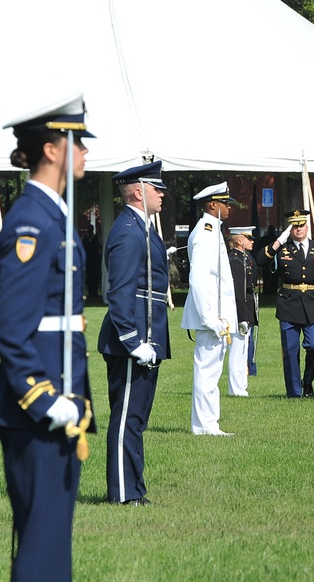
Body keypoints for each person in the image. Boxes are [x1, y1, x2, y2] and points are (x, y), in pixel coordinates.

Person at [0, 93, 95, 582]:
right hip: (39, 412)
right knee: (40, 546)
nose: (84, 154)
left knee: (50, 547)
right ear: (53, 148)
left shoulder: (53, 213)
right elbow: (12, 327)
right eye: (77, 142)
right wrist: (44, 398)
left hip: (60, 405)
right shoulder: (32, 219)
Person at [98, 160, 171, 504]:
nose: (162, 195)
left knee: (135, 419)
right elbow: (120, 292)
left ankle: (133, 489)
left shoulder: (140, 228)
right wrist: (132, 342)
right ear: (139, 192)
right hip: (134, 339)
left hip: (147, 336)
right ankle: (124, 494)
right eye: (157, 189)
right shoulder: (128, 231)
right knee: (127, 417)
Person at [180, 182, 238, 435]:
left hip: (218, 314)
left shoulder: (212, 230)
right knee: (206, 370)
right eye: (225, 203)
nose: (229, 208)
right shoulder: (205, 232)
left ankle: (209, 423)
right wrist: (209, 317)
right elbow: (200, 278)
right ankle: (204, 425)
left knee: (212, 371)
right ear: (213, 204)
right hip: (211, 316)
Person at [260, 209, 314, 397]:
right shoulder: (283, 249)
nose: (298, 229)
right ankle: (294, 392)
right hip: (289, 302)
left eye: (301, 225)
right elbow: (261, 260)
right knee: (290, 351)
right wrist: (278, 241)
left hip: (313, 302)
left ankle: (307, 381)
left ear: (307, 227)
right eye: (294, 226)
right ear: (290, 228)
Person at [227, 225, 259, 396]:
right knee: (237, 350)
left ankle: (241, 385)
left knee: (243, 349)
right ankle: (236, 388)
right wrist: (242, 317)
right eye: (249, 238)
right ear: (240, 241)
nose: (252, 241)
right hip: (240, 310)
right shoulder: (235, 261)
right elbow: (238, 292)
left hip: (246, 307)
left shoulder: (245, 258)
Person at [82, 224, 102, 298]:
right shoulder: (83, 238)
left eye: (91, 229)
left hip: (95, 261)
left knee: (95, 277)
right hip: (87, 261)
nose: (89, 230)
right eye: (88, 229)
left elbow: (101, 248)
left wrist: (97, 255)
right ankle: (90, 292)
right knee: (88, 276)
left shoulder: (97, 238)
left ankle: (95, 292)